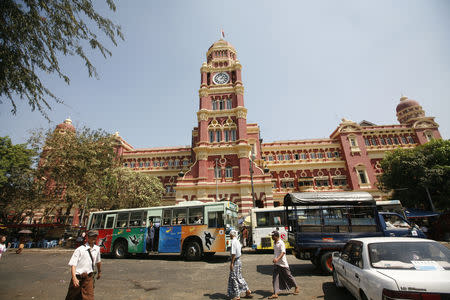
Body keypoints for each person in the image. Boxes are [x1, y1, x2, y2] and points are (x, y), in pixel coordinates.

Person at [65, 230, 102, 300]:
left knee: (89, 297)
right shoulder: (79, 250)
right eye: (92, 236)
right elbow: (73, 265)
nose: (94, 238)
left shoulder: (97, 249)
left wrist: (99, 272)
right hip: (78, 278)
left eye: (95, 236)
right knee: (72, 297)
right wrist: (74, 278)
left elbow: (98, 262)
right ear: (88, 237)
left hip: (88, 278)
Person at [268, 231, 299, 299]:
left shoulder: (281, 243)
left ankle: (296, 287)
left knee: (288, 276)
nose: (272, 237)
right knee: (275, 278)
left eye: (272, 236)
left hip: (283, 263)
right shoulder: (274, 243)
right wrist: (275, 260)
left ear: (276, 236)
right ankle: (275, 293)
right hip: (276, 264)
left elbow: (283, 253)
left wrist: (277, 259)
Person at [227, 230, 252, 300]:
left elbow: (233, 254)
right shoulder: (237, 241)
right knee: (239, 277)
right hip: (239, 261)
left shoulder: (233, 242)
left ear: (232, 235)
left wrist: (231, 263)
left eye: (230, 235)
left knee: (234, 278)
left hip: (235, 261)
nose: (230, 236)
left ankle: (237, 295)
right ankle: (247, 290)